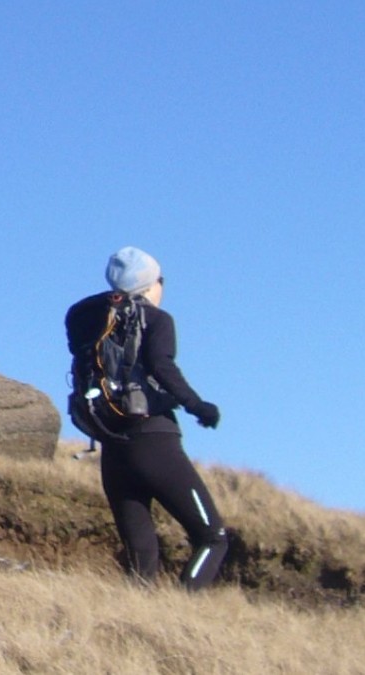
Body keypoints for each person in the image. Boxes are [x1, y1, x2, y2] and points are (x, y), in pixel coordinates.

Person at [64, 247, 227, 590]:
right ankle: (184, 609)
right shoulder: (157, 320)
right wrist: (199, 408)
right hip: (155, 441)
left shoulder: (83, 317)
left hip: (112, 445)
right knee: (212, 537)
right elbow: (162, 366)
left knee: (140, 553)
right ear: (150, 282)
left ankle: (136, 622)